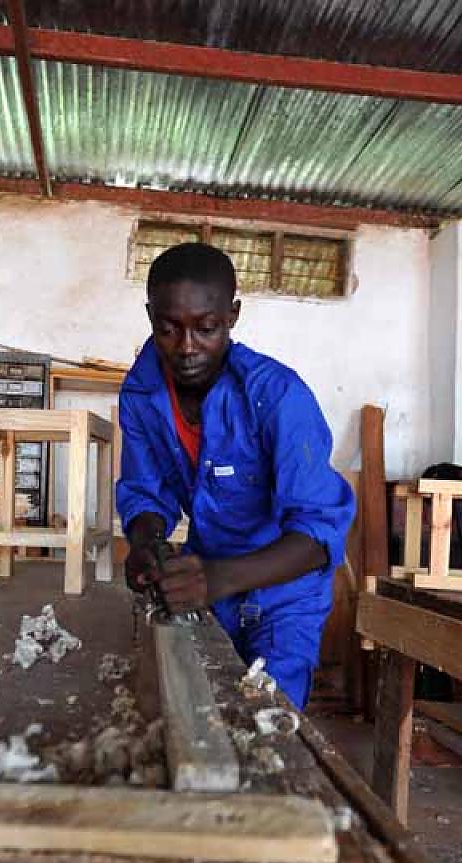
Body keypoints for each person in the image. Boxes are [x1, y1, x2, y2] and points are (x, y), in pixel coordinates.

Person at [116, 242, 355, 709]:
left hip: (284, 594)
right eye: (168, 329)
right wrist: (146, 544)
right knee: (200, 715)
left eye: (206, 329)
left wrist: (216, 578)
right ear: (150, 317)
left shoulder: (278, 396)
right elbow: (146, 492)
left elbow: (318, 536)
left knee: (271, 728)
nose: (186, 348)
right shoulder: (142, 392)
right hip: (209, 584)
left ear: (233, 315)